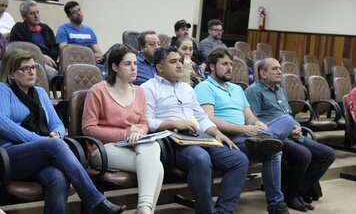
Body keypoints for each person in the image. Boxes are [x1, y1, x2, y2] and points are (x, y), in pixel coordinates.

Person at [0, 49, 126, 214]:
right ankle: (95, 201)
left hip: (38, 154)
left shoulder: (40, 92)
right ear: (11, 73)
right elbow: (2, 122)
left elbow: (57, 123)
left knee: (58, 178)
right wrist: (39, 139)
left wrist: (57, 134)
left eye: (33, 67)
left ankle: (94, 202)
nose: (31, 72)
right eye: (25, 69)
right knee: (54, 146)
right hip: (9, 156)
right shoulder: (3, 89)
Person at [141, 46, 251, 214]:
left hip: (199, 137)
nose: (179, 65)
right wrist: (174, 124)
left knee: (239, 160)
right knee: (201, 158)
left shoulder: (187, 88)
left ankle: (223, 211)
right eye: (173, 62)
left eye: (179, 61)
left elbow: (201, 117)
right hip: (172, 142)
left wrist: (217, 133)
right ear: (160, 67)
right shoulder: (148, 88)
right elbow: (148, 122)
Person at [194, 47, 296, 214]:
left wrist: (257, 123)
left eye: (231, 64)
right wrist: (244, 129)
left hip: (247, 136)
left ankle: (265, 137)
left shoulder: (236, 89)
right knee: (273, 151)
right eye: (224, 64)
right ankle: (276, 205)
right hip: (225, 138)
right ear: (212, 66)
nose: (229, 68)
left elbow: (249, 116)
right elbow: (209, 119)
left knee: (287, 120)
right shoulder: (204, 87)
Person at [244, 58, 335, 212]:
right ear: (263, 73)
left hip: (293, 134)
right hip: (274, 136)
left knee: (328, 154)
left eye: (280, 68)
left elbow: (289, 115)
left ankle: (296, 192)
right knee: (304, 155)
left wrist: (297, 127)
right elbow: (254, 120)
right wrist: (284, 126)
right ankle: (292, 197)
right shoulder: (253, 90)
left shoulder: (281, 90)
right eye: (274, 69)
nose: (280, 71)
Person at [82, 44, 163, 214]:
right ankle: (145, 210)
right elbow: (88, 128)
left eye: (135, 63)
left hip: (133, 145)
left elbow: (144, 123)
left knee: (154, 152)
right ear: (114, 66)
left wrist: (138, 132)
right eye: (127, 64)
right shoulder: (97, 91)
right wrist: (124, 133)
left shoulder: (140, 92)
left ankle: (144, 209)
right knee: (157, 167)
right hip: (103, 149)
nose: (134, 68)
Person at [9, 0, 58, 81]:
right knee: (53, 74)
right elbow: (19, 50)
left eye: (37, 12)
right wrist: (40, 57)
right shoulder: (19, 28)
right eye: (32, 13)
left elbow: (54, 50)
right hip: (28, 63)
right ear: (24, 16)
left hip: (50, 63)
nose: (36, 16)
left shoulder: (46, 29)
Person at [56, 1, 105, 72]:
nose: (79, 13)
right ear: (69, 16)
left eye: (79, 10)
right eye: (74, 12)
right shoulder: (63, 29)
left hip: (91, 64)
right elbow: (65, 52)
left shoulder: (89, 31)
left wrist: (99, 57)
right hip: (73, 65)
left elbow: (98, 53)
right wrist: (88, 57)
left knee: (115, 51)